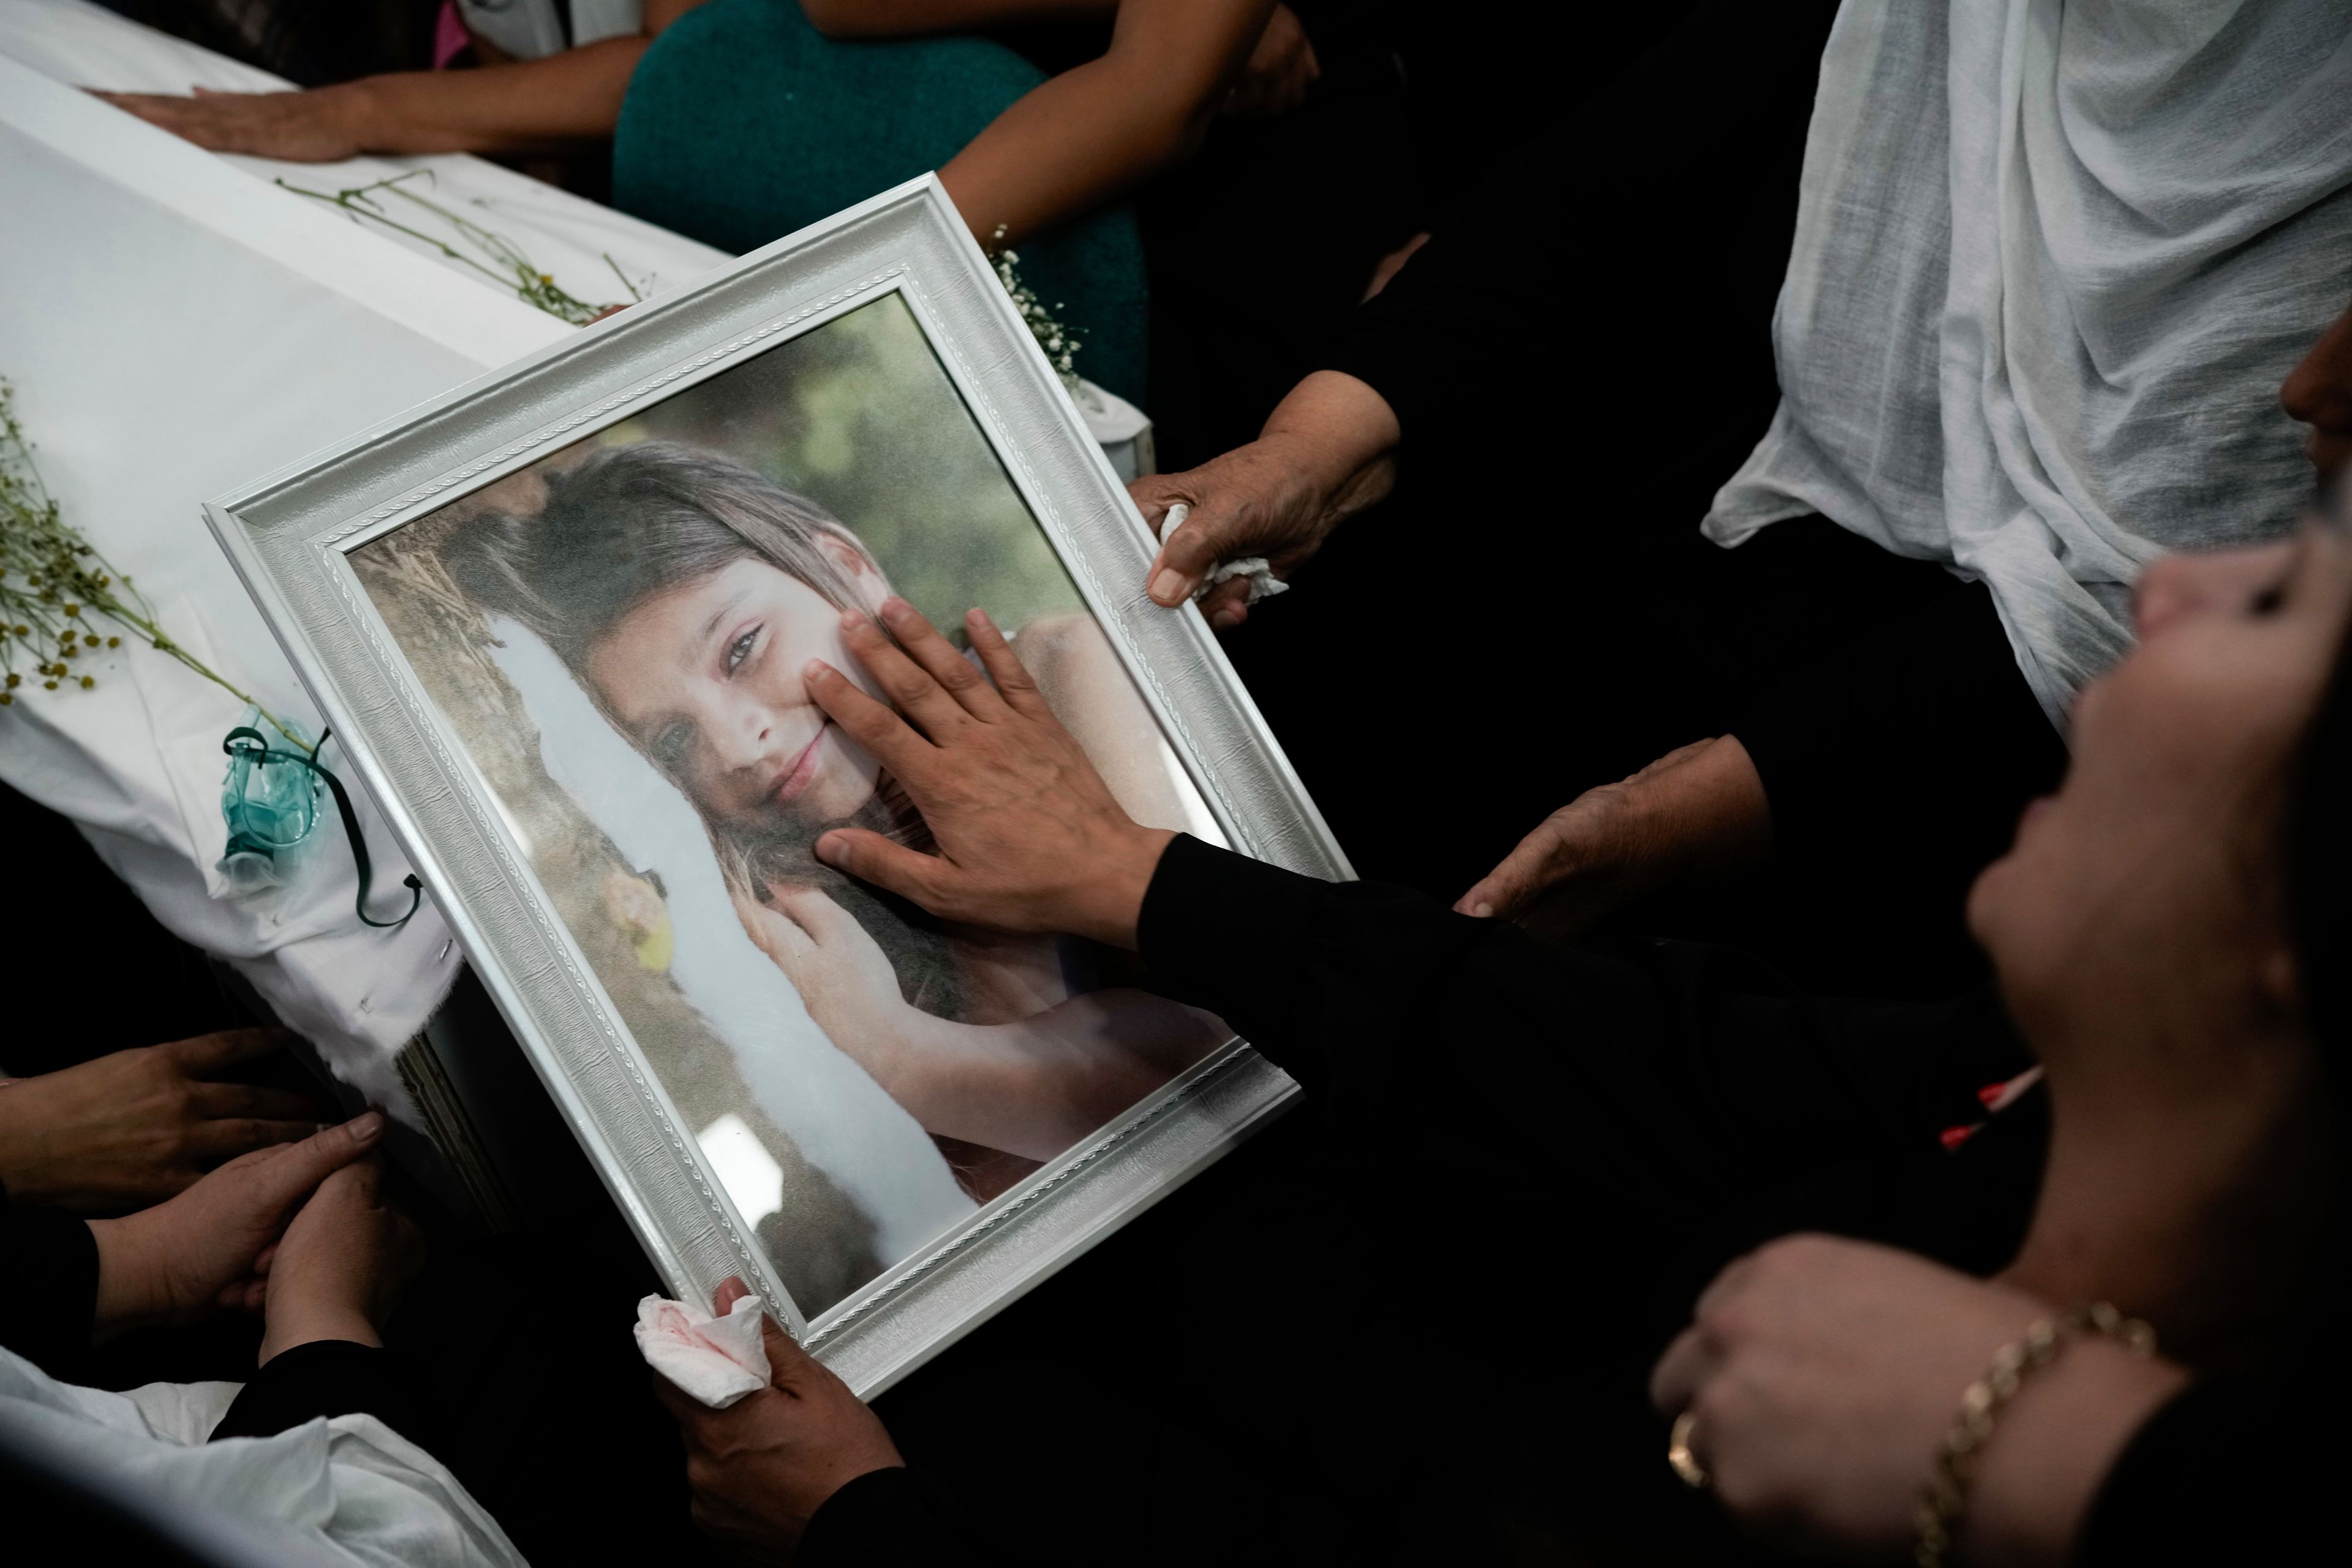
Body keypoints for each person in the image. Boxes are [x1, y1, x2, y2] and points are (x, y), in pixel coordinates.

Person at [643, 446, 2352, 1562]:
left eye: (2279, 600)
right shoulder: (1991, 1082)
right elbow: (1666, 1063)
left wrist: (866, 1529)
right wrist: (1121, 885)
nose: (2163, 583)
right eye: (665, 748)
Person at [1131, 1, 2352, 998]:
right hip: (1626, 516)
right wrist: (1305, 454)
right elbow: (1603, 190)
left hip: (1883, 797)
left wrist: (1667, 820)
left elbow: (2129, 621)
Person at [448, 441, 1226, 1193]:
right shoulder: (785, 910)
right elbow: (1008, 1197)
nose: (734, 741)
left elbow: (1236, 1045)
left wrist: (901, 1055)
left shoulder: (1063, 670)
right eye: (674, 738)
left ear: (847, 567)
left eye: (742, 648)